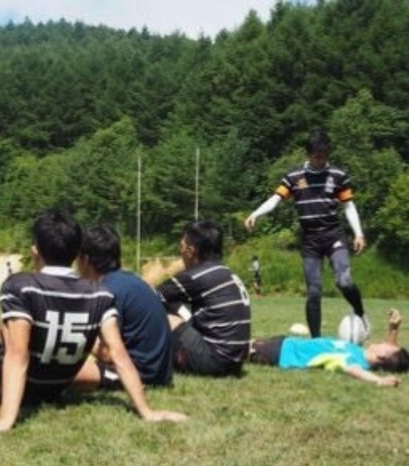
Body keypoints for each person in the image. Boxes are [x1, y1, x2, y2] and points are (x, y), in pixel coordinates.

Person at [0, 209, 187, 438]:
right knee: (3, 333)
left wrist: (5, 420)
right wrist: (147, 411)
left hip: (1, 385)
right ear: (76, 253)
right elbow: (119, 354)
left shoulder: (21, 285)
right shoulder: (100, 294)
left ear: (36, 250)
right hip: (55, 389)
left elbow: (18, 355)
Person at [244, 128, 368, 338]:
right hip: (311, 240)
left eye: (324, 156)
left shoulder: (338, 175)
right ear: (308, 154)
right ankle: (316, 339)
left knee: (344, 281)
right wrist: (256, 213)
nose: (321, 160)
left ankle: (361, 314)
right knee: (314, 292)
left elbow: (348, 206)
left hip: (334, 235)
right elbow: (275, 199)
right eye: (316, 156)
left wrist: (358, 233)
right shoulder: (294, 177)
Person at [75, 224, 173, 388]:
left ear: (85, 260)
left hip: (139, 375)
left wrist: (79, 336)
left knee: (60, 371)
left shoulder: (108, 291)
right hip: (159, 372)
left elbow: (109, 354)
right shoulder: (130, 281)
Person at [156, 219, 252, 377]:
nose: (180, 253)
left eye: (181, 246)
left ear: (190, 250)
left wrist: (166, 271)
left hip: (215, 362)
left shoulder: (194, 276)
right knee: (175, 306)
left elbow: (149, 298)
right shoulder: (226, 272)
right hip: (235, 363)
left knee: (160, 314)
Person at [249, 309, 409, 386]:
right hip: (286, 343)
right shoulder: (360, 351)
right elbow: (391, 353)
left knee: (240, 347)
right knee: (245, 340)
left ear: (381, 357)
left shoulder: (353, 360)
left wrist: (379, 380)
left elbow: (354, 371)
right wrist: (394, 329)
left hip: (281, 353)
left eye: (387, 346)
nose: (385, 342)